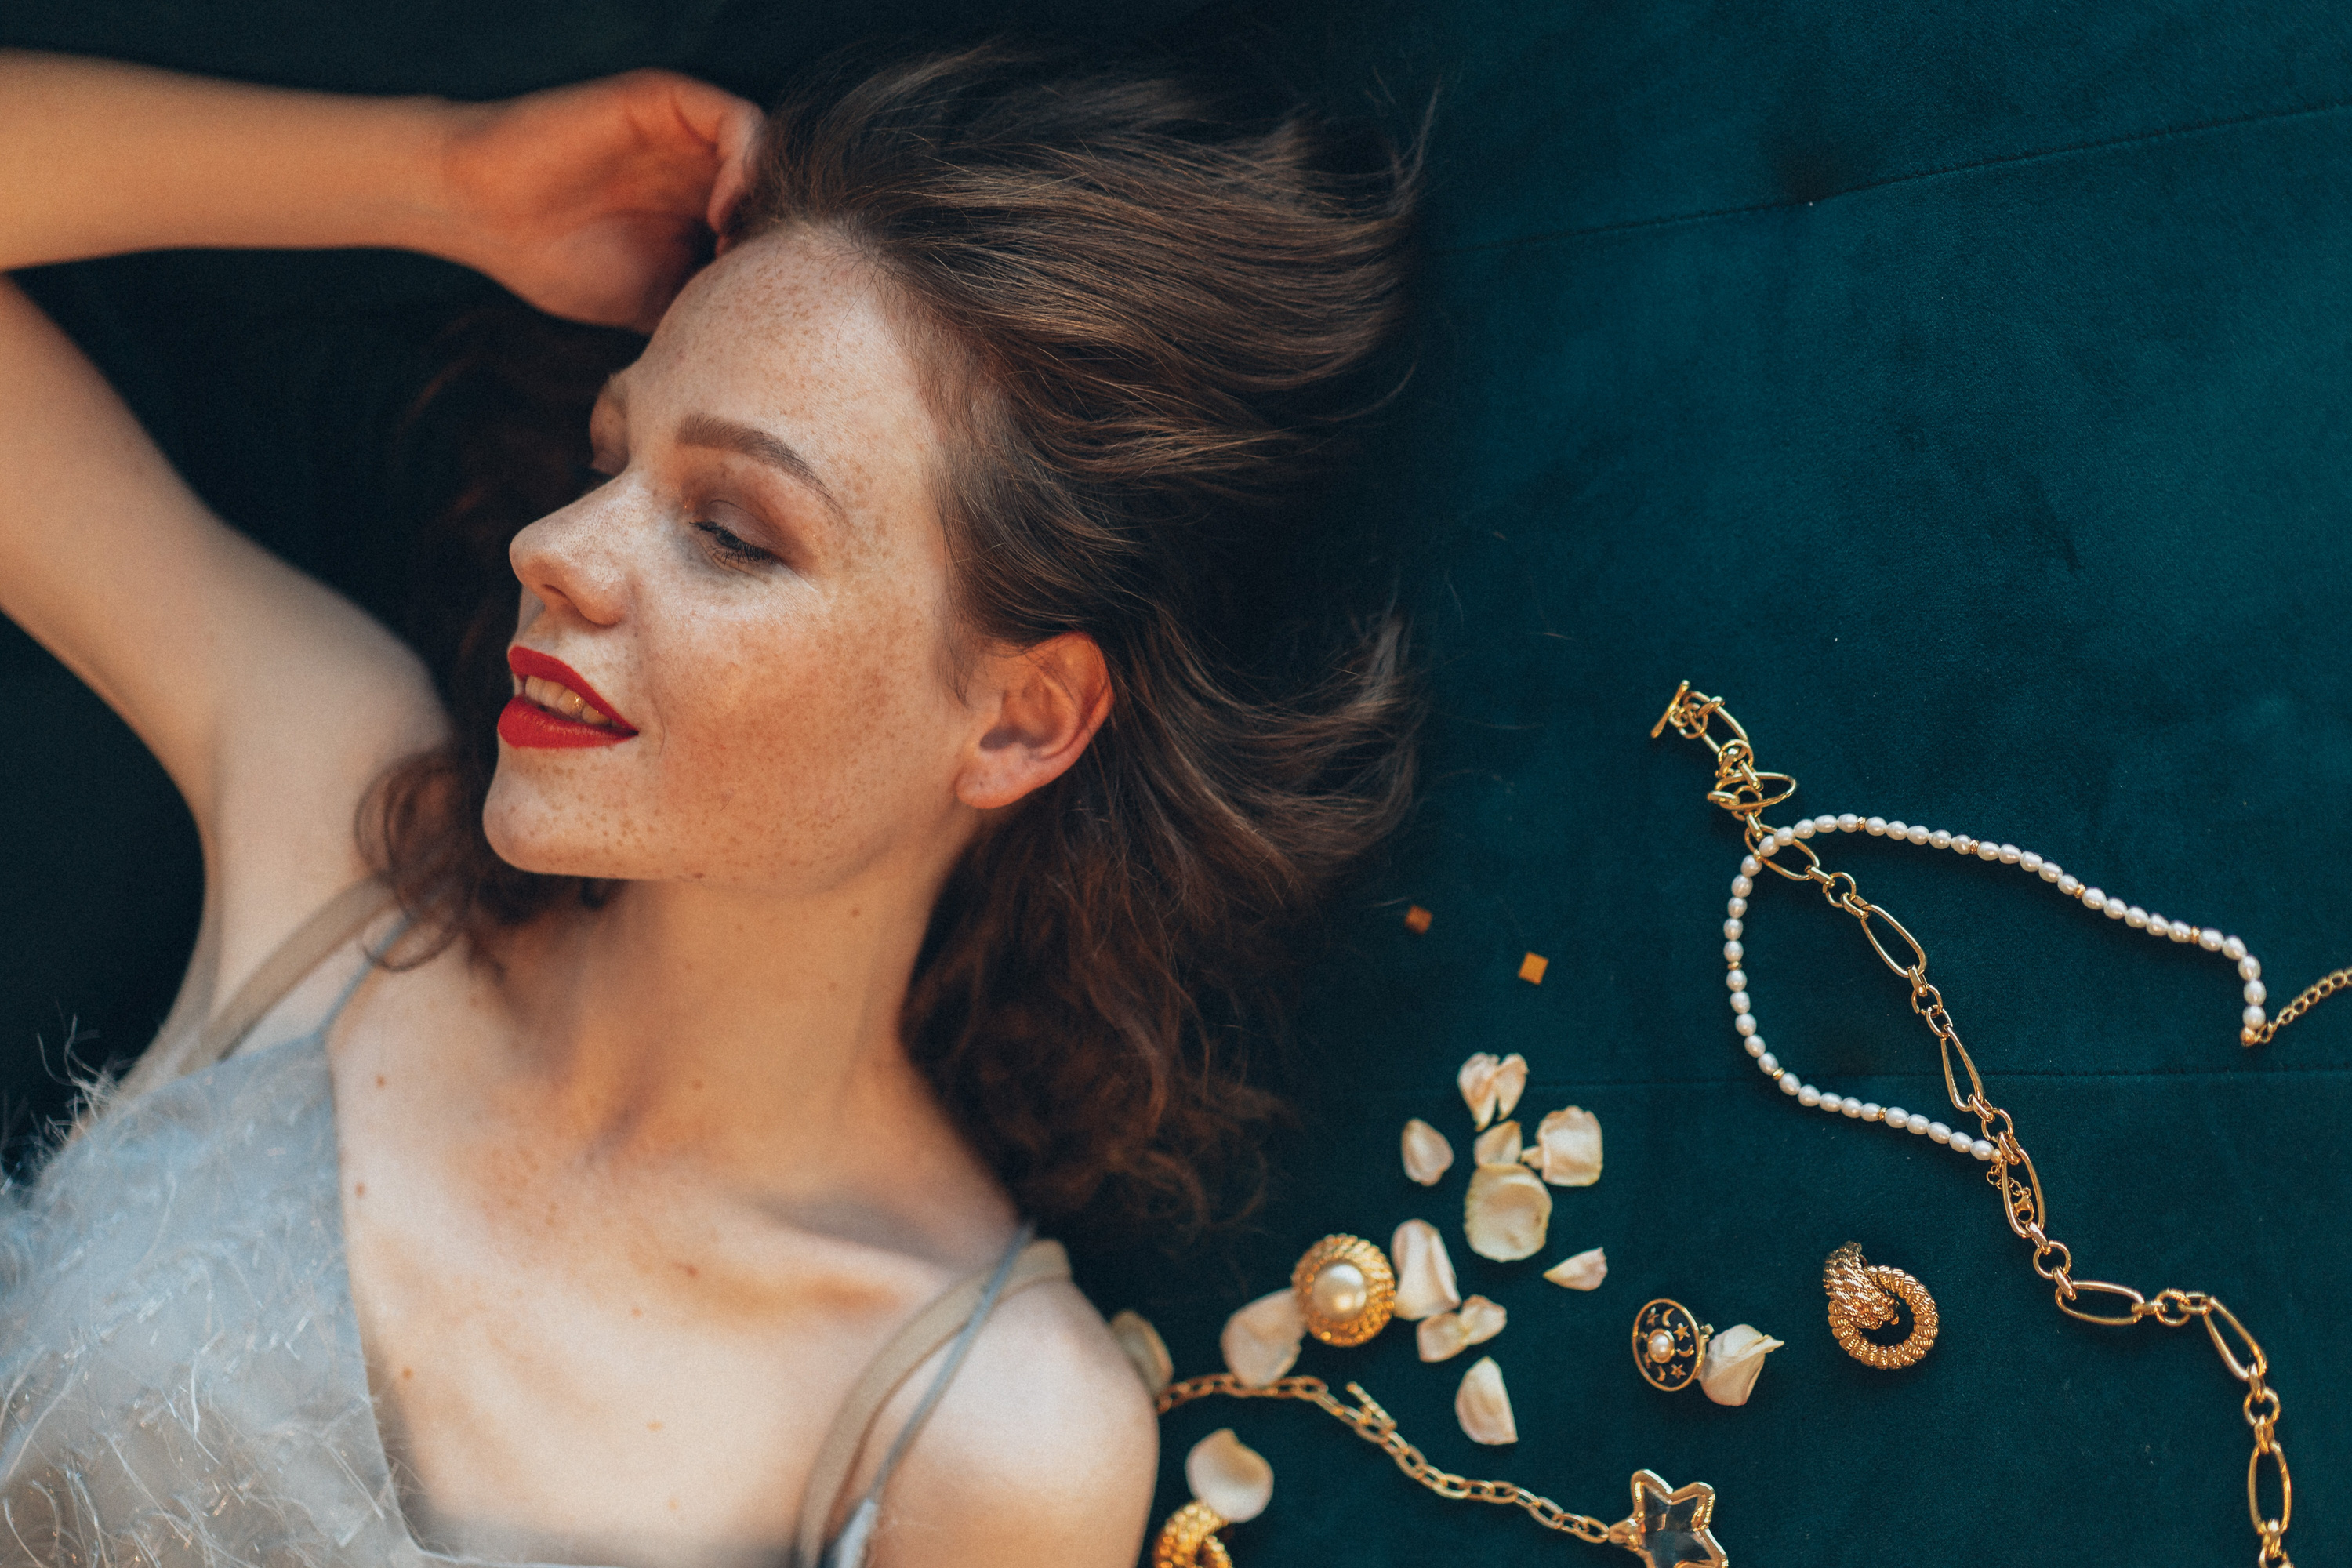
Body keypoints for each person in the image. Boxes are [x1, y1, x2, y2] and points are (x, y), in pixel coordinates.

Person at [0, 38, 1417, 1568]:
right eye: (606, 458)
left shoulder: (981, 1430)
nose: (560, 547)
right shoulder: (341, 827)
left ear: (1018, 720)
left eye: (735, 531)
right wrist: (432, 172)